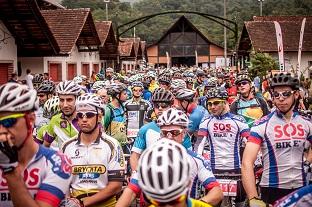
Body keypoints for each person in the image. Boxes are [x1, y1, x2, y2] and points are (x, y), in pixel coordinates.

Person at [116, 109, 223, 207]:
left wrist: (197, 204)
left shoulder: (196, 160)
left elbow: (216, 191)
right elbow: (130, 192)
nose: (169, 137)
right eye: (164, 133)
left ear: (184, 134)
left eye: (175, 132)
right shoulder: (149, 160)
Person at [242, 73, 312, 205]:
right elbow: (247, 162)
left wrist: (307, 162)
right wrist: (253, 197)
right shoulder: (261, 124)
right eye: (276, 95)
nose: (280, 98)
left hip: (302, 187)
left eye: (286, 94)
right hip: (272, 189)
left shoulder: (307, 122)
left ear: (296, 95)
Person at [0, 82, 72, 207]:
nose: (1, 130)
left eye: (8, 121)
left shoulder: (57, 162)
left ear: (31, 119)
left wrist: (10, 170)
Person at [62, 93, 125, 207]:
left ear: (99, 117)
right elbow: (63, 181)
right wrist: (68, 200)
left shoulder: (112, 145)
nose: (84, 119)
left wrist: (83, 203)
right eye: (80, 115)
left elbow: (116, 186)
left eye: (89, 115)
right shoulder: (67, 146)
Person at [198, 87, 250, 203]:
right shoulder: (206, 121)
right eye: (209, 104)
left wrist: (256, 163)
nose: (212, 107)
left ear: (225, 102)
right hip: (213, 170)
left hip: (236, 170)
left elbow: (249, 142)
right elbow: (199, 145)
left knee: (240, 203)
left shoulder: (239, 120)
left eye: (216, 103)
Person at [43, 80, 81, 149]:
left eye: (69, 100)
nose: (65, 105)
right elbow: (45, 146)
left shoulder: (86, 119)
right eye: (61, 100)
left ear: (77, 99)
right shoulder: (55, 120)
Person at [103, 83, 128, 152]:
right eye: (125, 94)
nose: (127, 96)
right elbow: (103, 128)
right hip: (112, 147)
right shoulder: (108, 110)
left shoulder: (123, 107)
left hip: (123, 145)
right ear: (117, 95)